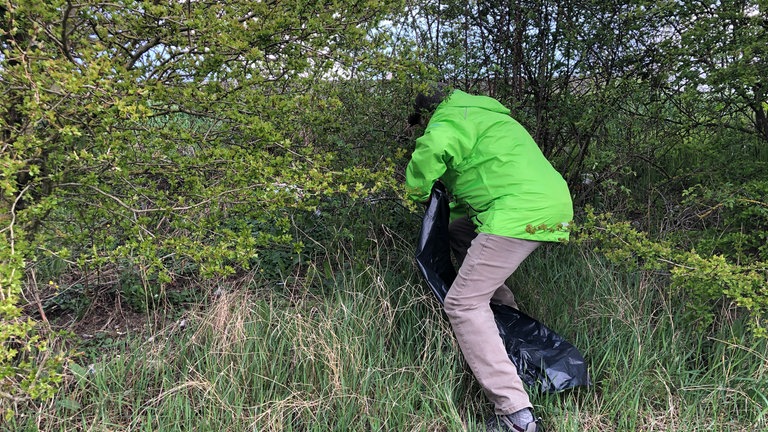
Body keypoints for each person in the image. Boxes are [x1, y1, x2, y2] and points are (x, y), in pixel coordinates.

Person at [405, 86, 573, 432]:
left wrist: (417, 190)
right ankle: (508, 330)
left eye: (420, 123)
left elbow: (432, 148)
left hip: (516, 213)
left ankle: (515, 415)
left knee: (463, 304)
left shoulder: (447, 120)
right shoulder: (486, 115)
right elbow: (487, 177)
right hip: (546, 205)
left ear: (428, 114)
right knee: (459, 229)